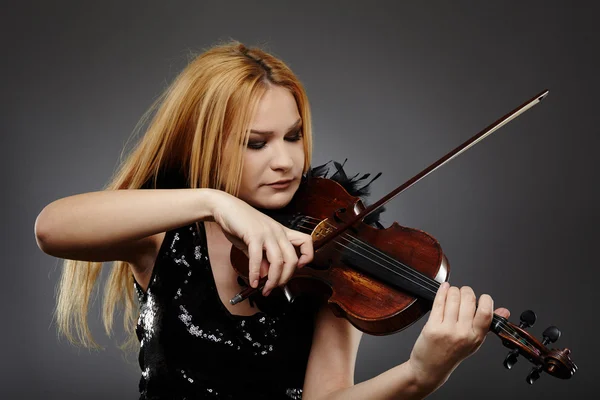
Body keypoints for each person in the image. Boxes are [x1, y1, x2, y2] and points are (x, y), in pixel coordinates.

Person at [34, 40, 510, 399]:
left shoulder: (329, 244)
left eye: (293, 136)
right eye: (256, 143)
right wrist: (216, 203)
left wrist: (419, 375)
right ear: (204, 142)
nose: (285, 161)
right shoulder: (164, 233)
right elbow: (52, 227)